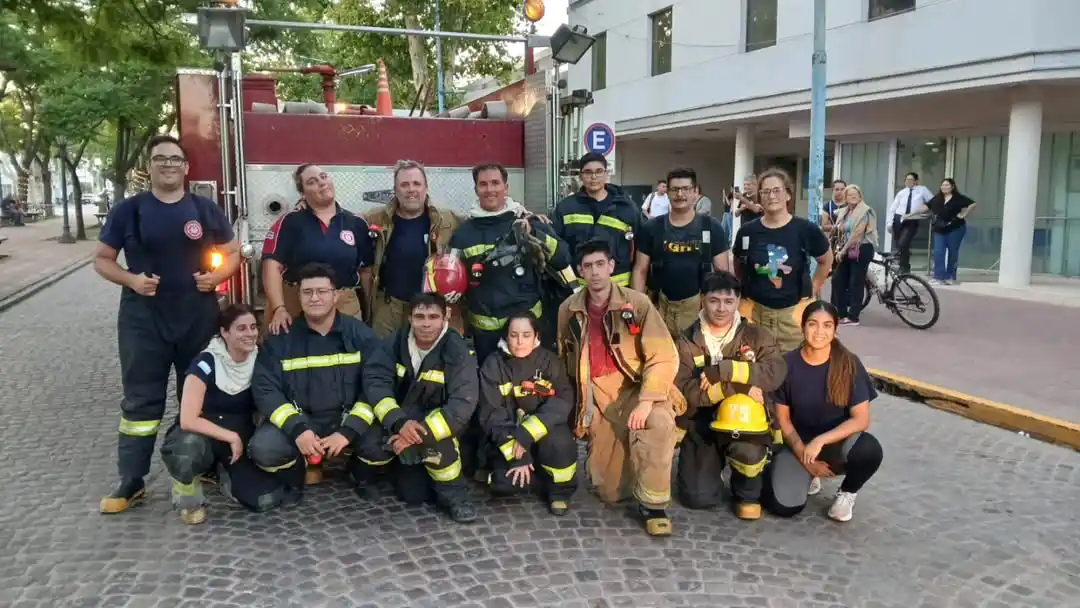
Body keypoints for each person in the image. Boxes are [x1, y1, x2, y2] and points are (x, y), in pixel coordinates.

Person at [95, 134, 240, 514]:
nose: (169, 165)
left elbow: (232, 254)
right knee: (141, 402)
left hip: (197, 315)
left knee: (201, 397)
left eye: (175, 159)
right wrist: (131, 280)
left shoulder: (205, 209)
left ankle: (197, 466)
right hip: (144, 320)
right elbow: (102, 259)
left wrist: (216, 278)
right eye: (161, 159)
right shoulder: (129, 210)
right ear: (150, 166)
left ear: (186, 167)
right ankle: (131, 480)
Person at [557, 238, 685, 536]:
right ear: (580, 272)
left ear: (612, 267)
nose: (595, 272)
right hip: (600, 395)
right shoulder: (568, 309)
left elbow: (663, 355)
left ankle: (654, 507)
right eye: (588, 266)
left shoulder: (637, 303)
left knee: (657, 423)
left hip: (638, 387)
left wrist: (647, 400)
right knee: (609, 490)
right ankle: (629, 459)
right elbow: (567, 360)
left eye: (601, 264)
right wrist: (580, 411)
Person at [248, 263, 382, 494]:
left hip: (346, 419)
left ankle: (358, 472)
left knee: (382, 444)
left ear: (336, 296)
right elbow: (265, 390)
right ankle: (298, 473)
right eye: (307, 292)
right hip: (302, 421)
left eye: (322, 291)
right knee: (264, 448)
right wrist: (298, 429)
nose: (315, 298)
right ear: (298, 296)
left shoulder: (360, 335)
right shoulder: (281, 340)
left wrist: (349, 431)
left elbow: (377, 384)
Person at [351, 292, 480, 522]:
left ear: (445, 317)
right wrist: (398, 423)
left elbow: (461, 406)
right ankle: (371, 475)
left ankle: (456, 497)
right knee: (410, 493)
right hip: (400, 421)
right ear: (409, 318)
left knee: (440, 454)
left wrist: (417, 435)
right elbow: (375, 382)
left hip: (436, 427)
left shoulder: (458, 350)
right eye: (420, 317)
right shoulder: (394, 342)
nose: (427, 324)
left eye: (433, 317)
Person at [159, 304, 290, 524]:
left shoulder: (261, 358)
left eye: (253, 327)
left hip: (240, 441)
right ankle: (188, 495)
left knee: (266, 500)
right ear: (224, 332)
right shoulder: (205, 364)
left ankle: (222, 474)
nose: (249, 334)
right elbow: (188, 419)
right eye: (241, 329)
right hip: (205, 435)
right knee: (187, 450)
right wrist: (230, 436)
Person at [674, 271, 786, 519]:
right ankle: (710, 469)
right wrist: (735, 387)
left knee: (748, 455)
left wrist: (724, 370)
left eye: (728, 301)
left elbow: (774, 372)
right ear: (702, 300)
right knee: (697, 498)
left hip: (745, 423)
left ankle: (746, 488)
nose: (721, 308)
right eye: (714, 300)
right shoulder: (686, 339)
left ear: (738, 302)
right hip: (701, 421)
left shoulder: (756, 336)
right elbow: (684, 390)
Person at [764, 301, 884, 522]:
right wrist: (805, 457)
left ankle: (847, 492)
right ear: (802, 327)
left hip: (836, 443)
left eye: (827, 325)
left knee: (869, 450)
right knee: (782, 507)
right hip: (798, 445)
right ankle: (807, 475)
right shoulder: (787, 364)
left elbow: (861, 419)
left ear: (835, 329)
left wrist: (820, 441)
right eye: (813, 324)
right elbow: (783, 419)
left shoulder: (849, 363)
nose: (820, 332)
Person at [450, 162, 575, 364]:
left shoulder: (529, 222)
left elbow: (563, 258)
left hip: (527, 333)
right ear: (476, 190)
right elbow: (452, 283)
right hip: (485, 339)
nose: (490, 189)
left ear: (506, 187)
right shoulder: (463, 235)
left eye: (495, 183)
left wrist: (535, 234)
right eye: (483, 184)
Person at [477, 312, 578, 515]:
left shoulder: (550, 361)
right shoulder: (493, 365)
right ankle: (536, 476)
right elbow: (491, 414)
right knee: (503, 484)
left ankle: (559, 491)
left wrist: (527, 433)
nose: (520, 341)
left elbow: (563, 400)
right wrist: (518, 458)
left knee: (561, 443)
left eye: (526, 335)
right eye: (514, 335)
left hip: (542, 433)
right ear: (506, 336)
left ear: (536, 336)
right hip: (508, 438)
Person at [262, 164, 375, 335]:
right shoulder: (290, 222)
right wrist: (279, 308)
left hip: (344, 303)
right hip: (298, 302)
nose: (322, 183)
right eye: (312, 182)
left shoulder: (356, 224)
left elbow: (366, 271)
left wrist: (369, 310)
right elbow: (271, 266)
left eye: (323, 177)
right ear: (303, 193)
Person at [731, 168, 833, 352]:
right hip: (756, 316)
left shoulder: (805, 229)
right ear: (760, 197)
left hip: (792, 320)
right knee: (757, 372)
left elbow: (826, 260)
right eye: (765, 192)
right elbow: (738, 264)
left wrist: (813, 288)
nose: (771, 196)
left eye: (777, 190)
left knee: (793, 373)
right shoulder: (748, 231)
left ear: (787, 194)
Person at [364, 160, 462, 337]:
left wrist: (516, 211)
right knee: (383, 359)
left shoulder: (447, 220)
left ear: (426, 188)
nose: (411, 189)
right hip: (388, 309)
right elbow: (339, 218)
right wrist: (305, 205)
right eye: (404, 184)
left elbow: (481, 221)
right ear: (395, 190)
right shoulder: (376, 219)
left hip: (429, 311)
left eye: (417, 184)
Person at [631, 167, 731, 336]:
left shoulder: (711, 227)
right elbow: (640, 270)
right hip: (659, 309)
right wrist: (638, 306)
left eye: (686, 189)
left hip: (698, 312)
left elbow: (723, 274)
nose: (680, 194)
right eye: (675, 189)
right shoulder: (652, 228)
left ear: (695, 192)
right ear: (667, 193)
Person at [552, 152, 642, 288]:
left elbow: (641, 250)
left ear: (607, 173)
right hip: (579, 291)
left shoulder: (627, 207)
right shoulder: (565, 208)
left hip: (620, 291)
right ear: (581, 176)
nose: (593, 177)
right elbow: (558, 249)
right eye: (588, 172)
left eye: (599, 171)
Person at [829, 184, 879, 326]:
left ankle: (853, 317)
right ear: (845, 197)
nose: (853, 197)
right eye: (850, 195)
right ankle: (841, 313)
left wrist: (842, 251)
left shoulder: (864, 211)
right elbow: (838, 226)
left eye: (855, 195)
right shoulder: (846, 211)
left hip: (861, 248)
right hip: (848, 248)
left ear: (860, 196)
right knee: (837, 279)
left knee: (855, 282)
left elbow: (857, 235)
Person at [929, 178, 975, 285]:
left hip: (955, 228)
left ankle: (950, 276)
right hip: (940, 228)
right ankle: (938, 277)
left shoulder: (958, 198)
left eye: (947, 185)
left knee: (952, 252)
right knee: (939, 252)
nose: (944, 187)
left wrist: (964, 214)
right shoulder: (937, 198)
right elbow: (927, 206)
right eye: (943, 185)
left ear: (952, 187)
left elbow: (973, 204)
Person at [887, 172, 934, 274]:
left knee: (903, 242)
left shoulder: (922, 190)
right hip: (899, 218)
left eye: (910, 180)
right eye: (906, 180)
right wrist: (889, 222)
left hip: (912, 219)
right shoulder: (902, 192)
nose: (908, 182)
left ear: (916, 181)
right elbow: (893, 208)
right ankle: (903, 267)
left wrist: (926, 211)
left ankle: (904, 266)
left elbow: (933, 201)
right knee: (900, 244)